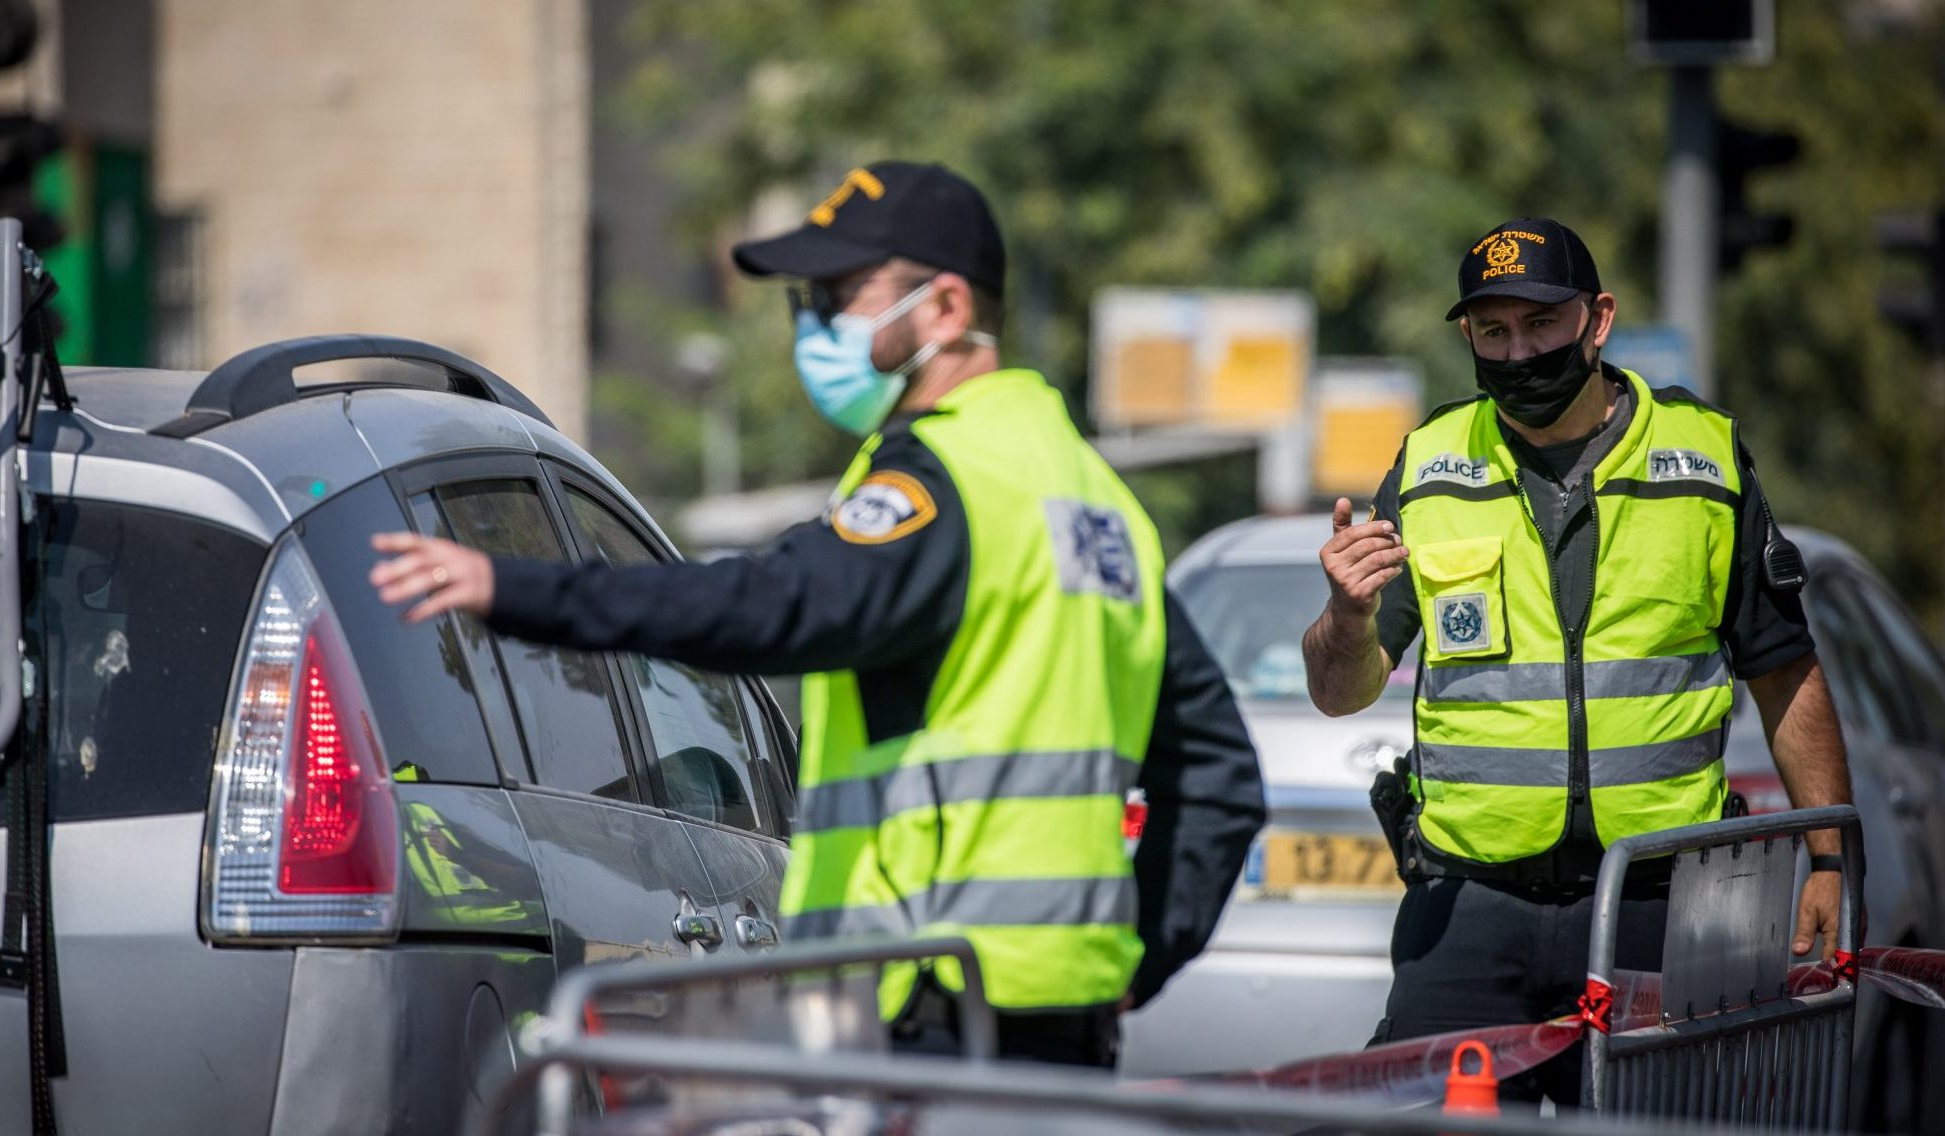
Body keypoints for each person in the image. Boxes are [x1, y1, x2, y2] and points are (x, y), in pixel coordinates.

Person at [368, 161, 1265, 1067]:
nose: (813, 324)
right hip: (1062, 1016)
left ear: (948, 309)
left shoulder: (945, 484)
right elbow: (1219, 773)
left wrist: (516, 587)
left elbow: (772, 605)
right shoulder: (1097, 500)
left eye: (839, 297)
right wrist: (1139, 958)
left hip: (929, 998)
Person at [1300, 217, 1853, 1105]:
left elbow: (1785, 671)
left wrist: (1829, 861)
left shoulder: (1702, 464)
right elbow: (1339, 692)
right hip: (1470, 912)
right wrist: (1347, 615)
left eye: (1541, 324)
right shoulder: (1430, 467)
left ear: (1597, 320)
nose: (1518, 352)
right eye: (1492, 332)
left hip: (1661, 907)